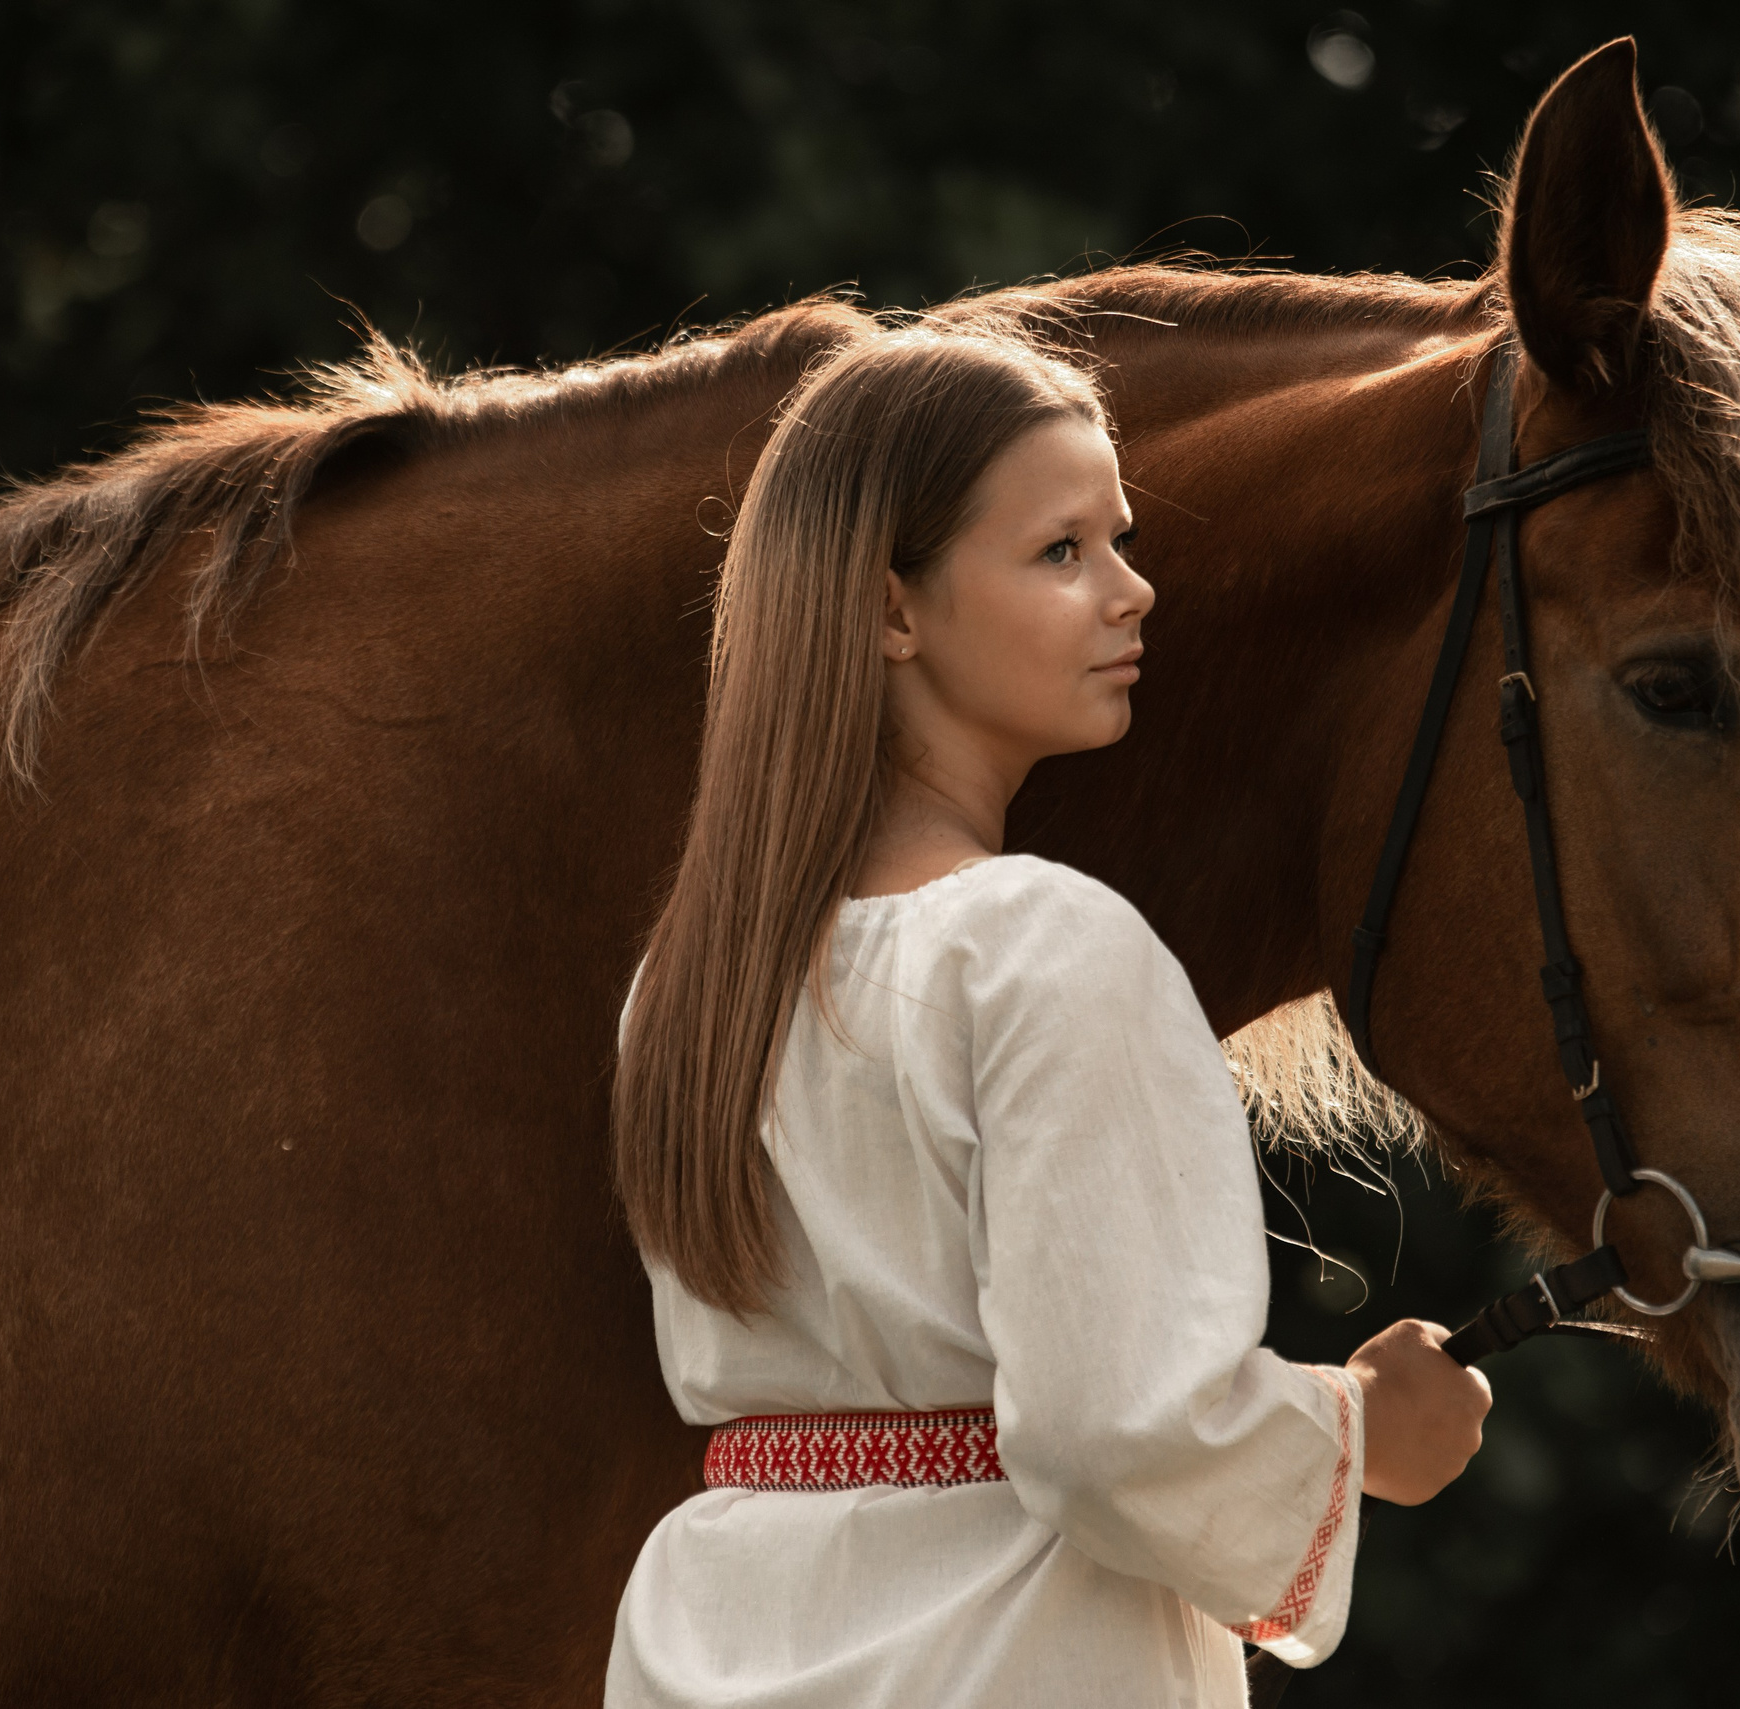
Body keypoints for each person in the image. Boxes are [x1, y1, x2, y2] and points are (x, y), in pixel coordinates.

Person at [605, 320, 1491, 1708]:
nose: (1135, 592)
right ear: (893, 610)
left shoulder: (685, 987)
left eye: (1120, 540)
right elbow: (1109, 1430)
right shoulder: (1044, 949)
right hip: (1007, 1654)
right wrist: (1362, 1430)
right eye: (1062, 551)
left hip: (711, 1643)